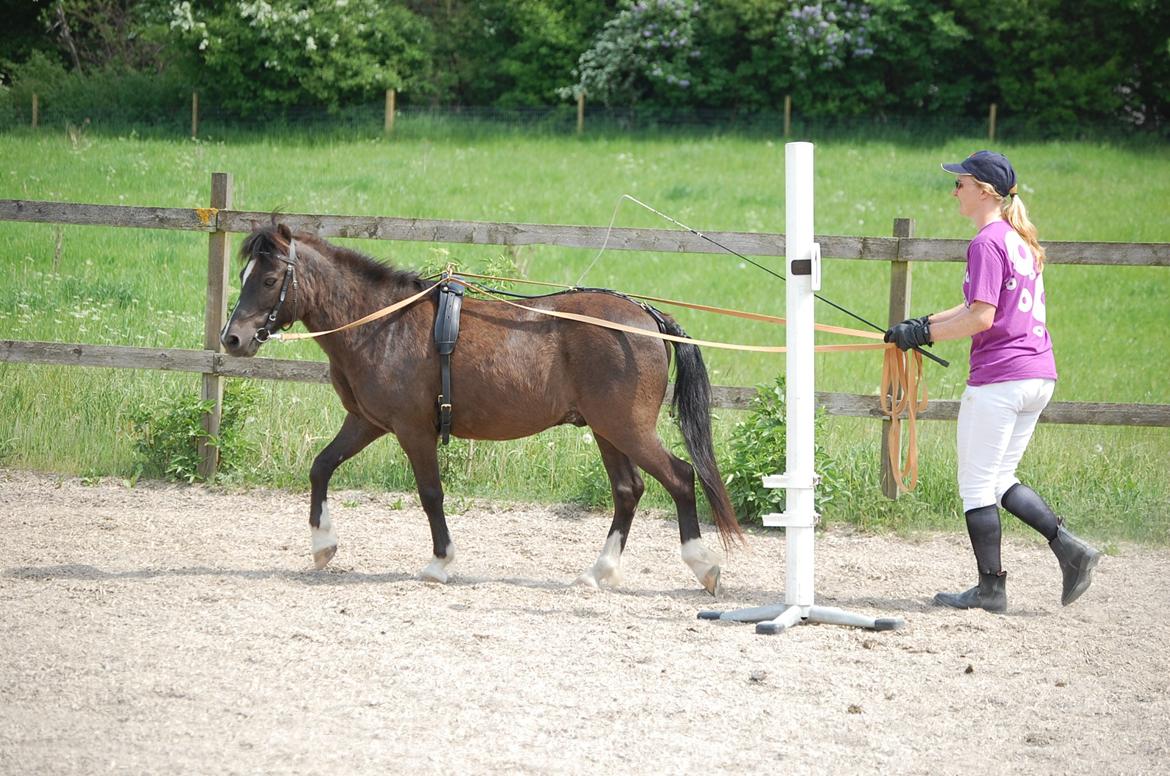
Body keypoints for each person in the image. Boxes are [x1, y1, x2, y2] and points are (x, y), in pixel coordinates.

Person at [884, 150, 1101, 613]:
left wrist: (924, 335)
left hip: (1000, 379)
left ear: (984, 191)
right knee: (1000, 479)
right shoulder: (1016, 238)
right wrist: (922, 323)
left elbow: (981, 318)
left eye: (960, 184)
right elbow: (975, 307)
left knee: (977, 485)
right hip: (1037, 374)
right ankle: (1069, 549)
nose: (954, 192)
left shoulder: (986, 242)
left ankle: (991, 589)